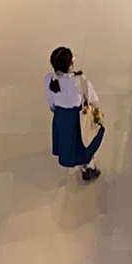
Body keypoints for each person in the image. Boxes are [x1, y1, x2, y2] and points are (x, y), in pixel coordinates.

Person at [46, 46, 104, 182]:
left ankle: (82, 165)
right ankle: (89, 167)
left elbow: (51, 103)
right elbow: (94, 100)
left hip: (61, 117)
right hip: (78, 118)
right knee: (86, 142)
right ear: (70, 64)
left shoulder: (49, 79)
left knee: (69, 145)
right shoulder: (80, 80)